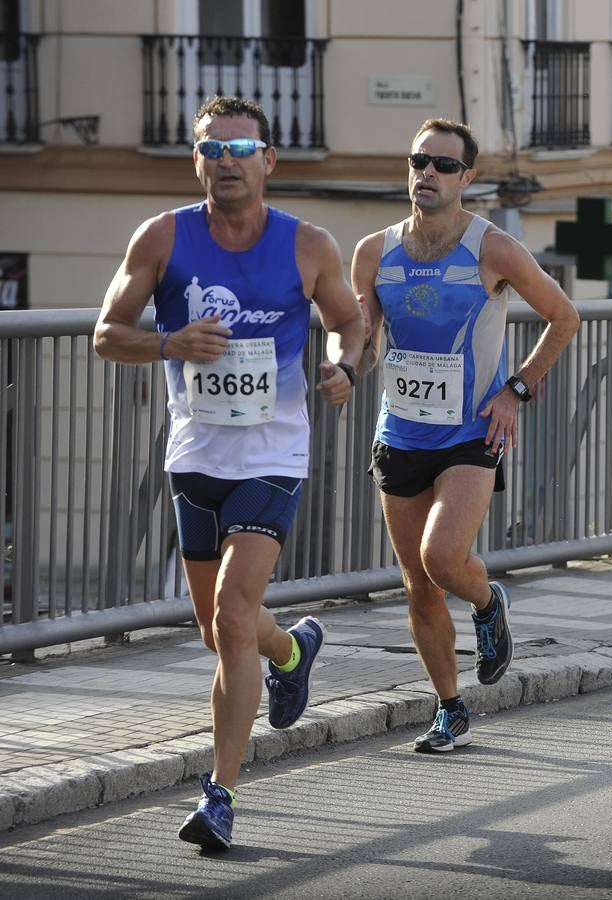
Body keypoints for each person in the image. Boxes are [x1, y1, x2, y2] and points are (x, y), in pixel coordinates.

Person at [93, 95, 365, 850]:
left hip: (273, 455)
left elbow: (349, 320)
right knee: (220, 630)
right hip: (196, 456)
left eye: (241, 150)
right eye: (213, 150)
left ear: (268, 160)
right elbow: (106, 335)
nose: (227, 163)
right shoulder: (162, 237)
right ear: (197, 160)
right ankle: (292, 650)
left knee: (236, 614)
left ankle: (221, 794)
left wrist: (345, 365)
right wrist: (169, 344)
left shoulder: (306, 244)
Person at [353, 119, 578, 754]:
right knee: (417, 582)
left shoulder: (493, 250)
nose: (427, 173)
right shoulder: (374, 252)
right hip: (400, 429)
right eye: (419, 160)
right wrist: (344, 366)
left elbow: (564, 316)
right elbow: (367, 345)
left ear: (467, 179)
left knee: (443, 558)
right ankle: (450, 707)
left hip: (472, 431)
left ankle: (486, 601)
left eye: (443, 166)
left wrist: (517, 388)